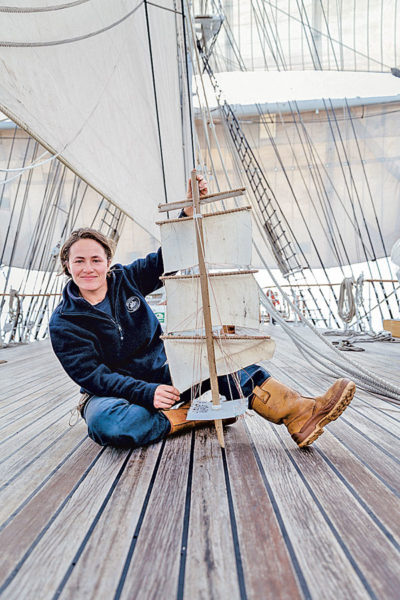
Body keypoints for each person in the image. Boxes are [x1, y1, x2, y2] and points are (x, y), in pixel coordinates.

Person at [49, 176, 356, 450]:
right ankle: (191, 416)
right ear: (67, 266)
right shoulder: (64, 323)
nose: (88, 268)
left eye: (95, 259)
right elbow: (95, 376)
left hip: (162, 371)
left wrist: (187, 214)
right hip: (111, 393)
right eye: (79, 261)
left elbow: (167, 259)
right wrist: (146, 393)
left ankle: (300, 414)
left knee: (222, 362)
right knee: (111, 425)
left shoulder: (126, 280)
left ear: (107, 261)